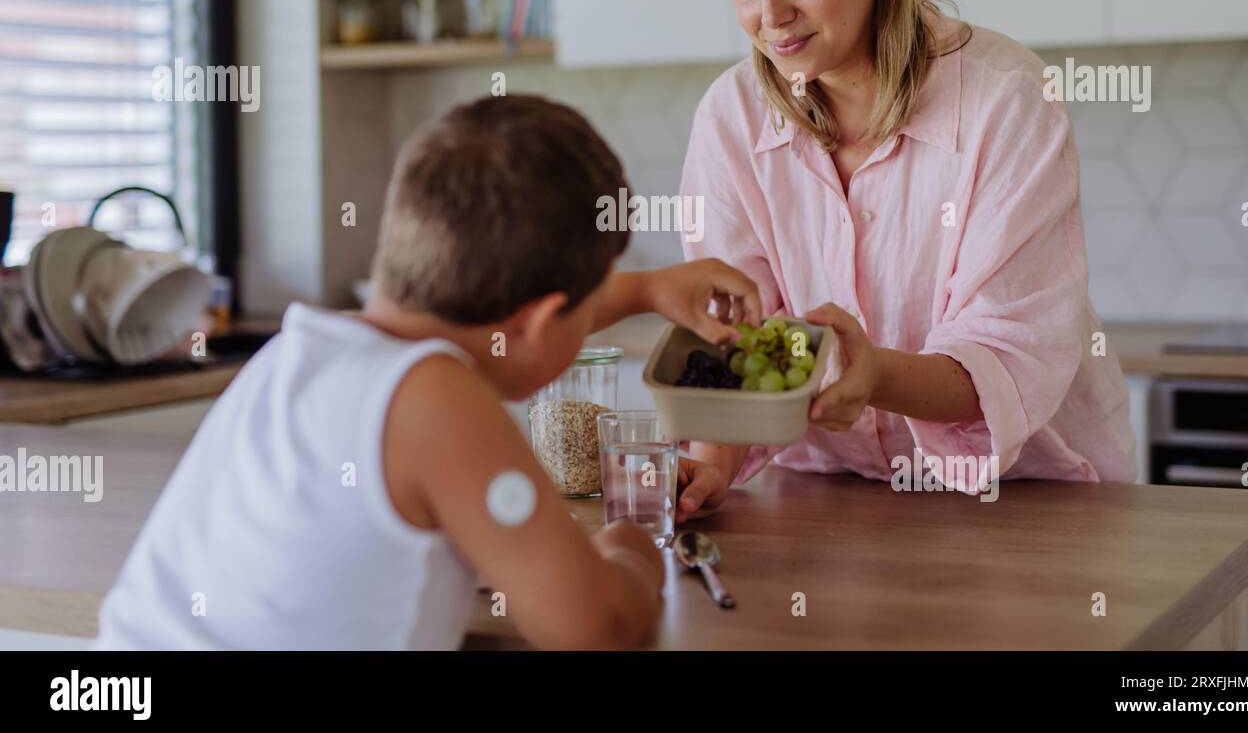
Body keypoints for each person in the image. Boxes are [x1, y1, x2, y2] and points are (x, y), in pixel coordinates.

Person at [95, 94, 761, 650]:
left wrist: (645, 292)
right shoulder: (435, 398)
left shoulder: (298, 353)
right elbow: (600, 627)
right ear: (541, 318)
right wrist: (630, 549)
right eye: (593, 305)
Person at [671, 0, 1136, 520]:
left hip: (1026, 500)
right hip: (827, 506)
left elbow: (1004, 354)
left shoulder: (1003, 100)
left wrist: (875, 373)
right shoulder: (729, 120)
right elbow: (740, 345)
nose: (771, 16)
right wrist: (707, 467)